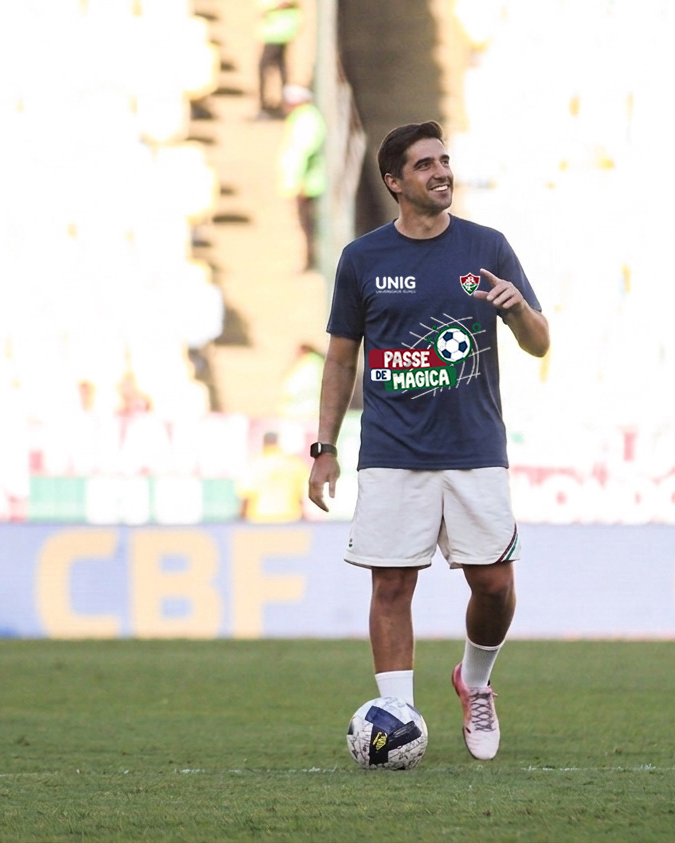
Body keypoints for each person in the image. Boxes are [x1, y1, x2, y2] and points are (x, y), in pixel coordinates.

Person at [307, 121, 549, 761]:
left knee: (494, 584)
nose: (442, 172)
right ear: (394, 182)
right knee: (391, 586)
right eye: (425, 165)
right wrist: (325, 448)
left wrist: (518, 310)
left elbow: (540, 342)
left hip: (474, 448)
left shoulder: (487, 247)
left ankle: (475, 681)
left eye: (444, 161)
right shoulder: (363, 259)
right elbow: (340, 359)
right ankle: (398, 715)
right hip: (392, 452)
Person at [276, 85, 326, 271]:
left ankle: (309, 260)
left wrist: (298, 182)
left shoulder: (306, 119)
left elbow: (303, 152)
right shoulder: (302, 118)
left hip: (306, 185)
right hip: (302, 183)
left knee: (307, 226)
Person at [239, 431, 309, 523]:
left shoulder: (255, 464)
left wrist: (241, 520)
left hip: (260, 519)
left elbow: (246, 497)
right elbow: (301, 495)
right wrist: (303, 517)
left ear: (264, 443)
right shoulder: (294, 464)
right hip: (289, 518)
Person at [256, 0, 302, 118]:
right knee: (279, 68)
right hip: (276, 30)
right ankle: (280, 103)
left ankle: (270, 105)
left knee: (266, 68)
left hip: (278, 31)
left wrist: (271, 6)